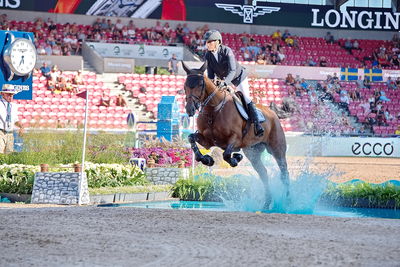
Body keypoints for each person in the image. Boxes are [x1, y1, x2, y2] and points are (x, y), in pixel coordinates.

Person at [203, 30, 264, 136]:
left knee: (246, 98)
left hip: (238, 77)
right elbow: (211, 75)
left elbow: (232, 70)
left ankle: (257, 124)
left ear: (217, 42)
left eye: (210, 42)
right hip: (224, 81)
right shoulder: (208, 55)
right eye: (207, 42)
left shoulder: (227, 51)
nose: (207, 44)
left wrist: (225, 83)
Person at [0, 85, 23, 153]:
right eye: (8, 94)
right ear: (2, 94)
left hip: (10, 132)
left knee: (8, 153)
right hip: (0, 131)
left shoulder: (14, 106)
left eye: (12, 94)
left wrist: (21, 127)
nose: (11, 96)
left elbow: (15, 119)